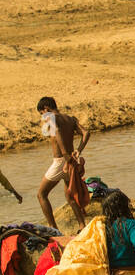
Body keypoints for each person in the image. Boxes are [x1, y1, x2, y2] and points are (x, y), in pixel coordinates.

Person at [36, 96, 90, 232]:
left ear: (46, 109)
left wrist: (65, 154)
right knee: (70, 197)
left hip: (61, 161)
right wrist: (78, 150)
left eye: (42, 113)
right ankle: (81, 225)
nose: (43, 117)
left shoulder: (51, 117)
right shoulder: (70, 119)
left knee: (41, 194)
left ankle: (53, 228)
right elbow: (86, 133)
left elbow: (58, 132)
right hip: (70, 161)